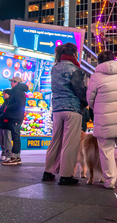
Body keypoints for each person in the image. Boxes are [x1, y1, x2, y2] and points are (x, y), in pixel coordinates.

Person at [87, 51, 117, 189]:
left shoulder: (95, 77)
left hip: (105, 120)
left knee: (106, 151)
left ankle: (110, 181)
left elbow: (90, 99)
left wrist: (98, 106)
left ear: (99, 62)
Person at [42, 43, 87, 185]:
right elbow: (80, 90)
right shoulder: (75, 69)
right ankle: (66, 175)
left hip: (56, 109)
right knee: (70, 144)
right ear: (74, 54)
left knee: (55, 141)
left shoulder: (54, 68)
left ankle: (48, 172)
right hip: (72, 109)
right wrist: (85, 103)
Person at [1, 76, 28, 165]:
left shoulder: (18, 92)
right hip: (15, 117)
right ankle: (16, 157)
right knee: (15, 136)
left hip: (15, 117)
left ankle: (14, 157)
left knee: (15, 137)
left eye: (12, 82)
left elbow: (19, 104)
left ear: (16, 82)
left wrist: (8, 107)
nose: (11, 83)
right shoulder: (18, 91)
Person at [0, 89, 13, 164]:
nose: (3, 94)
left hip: (7, 124)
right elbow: (0, 112)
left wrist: (0, 116)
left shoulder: (10, 103)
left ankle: (8, 155)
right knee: (2, 141)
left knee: (7, 141)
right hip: (2, 124)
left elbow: (5, 113)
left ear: (8, 94)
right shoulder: (4, 102)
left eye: (4, 93)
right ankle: (3, 155)